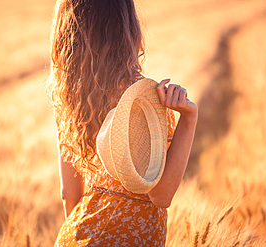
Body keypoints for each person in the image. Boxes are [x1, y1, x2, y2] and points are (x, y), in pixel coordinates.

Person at [47, 0, 198, 246]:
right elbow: (160, 195)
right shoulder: (146, 100)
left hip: (74, 235)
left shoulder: (70, 98)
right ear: (128, 30)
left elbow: (69, 195)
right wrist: (189, 119)